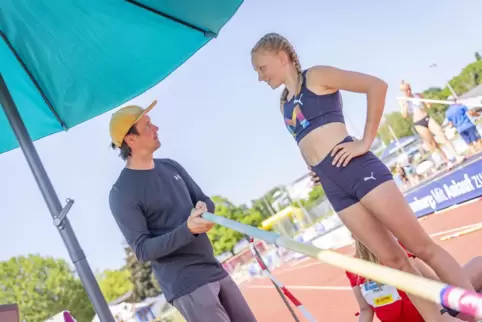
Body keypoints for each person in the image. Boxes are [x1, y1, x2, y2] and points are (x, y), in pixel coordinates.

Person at [250, 32, 477, 321]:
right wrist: (314, 167)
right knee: (393, 262)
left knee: (420, 248)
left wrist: (365, 141)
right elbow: (305, 138)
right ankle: (437, 319)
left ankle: (475, 310)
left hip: (359, 170)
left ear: (281, 57)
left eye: (261, 67)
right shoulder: (284, 102)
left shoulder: (317, 76)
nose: (259, 76)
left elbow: (376, 86)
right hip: (334, 187)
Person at [108, 102, 256, 322]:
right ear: (131, 140)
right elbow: (142, 249)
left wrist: (203, 211)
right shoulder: (122, 193)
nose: (156, 128)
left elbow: (204, 201)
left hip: (214, 267)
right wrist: (188, 229)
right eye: (148, 126)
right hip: (186, 283)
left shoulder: (171, 166)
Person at [347, 237, 482, 322]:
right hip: (430, 314)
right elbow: (435, 285)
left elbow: (365, 310)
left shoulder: (353, 267)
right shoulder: (395, 251)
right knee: (479, 264)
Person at [399, 81, 464, 168]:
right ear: (403, 92)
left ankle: (456, 155)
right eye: (406, 90)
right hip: (419, 123)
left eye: (409, 89)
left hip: (427, 118)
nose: (409, 91)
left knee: (442, 134)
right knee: (433, 144)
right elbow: (404, 115)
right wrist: (405, 104)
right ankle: (447, 161)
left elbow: (427, 105)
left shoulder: (418, 95)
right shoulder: (403, 101)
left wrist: (428, 103)